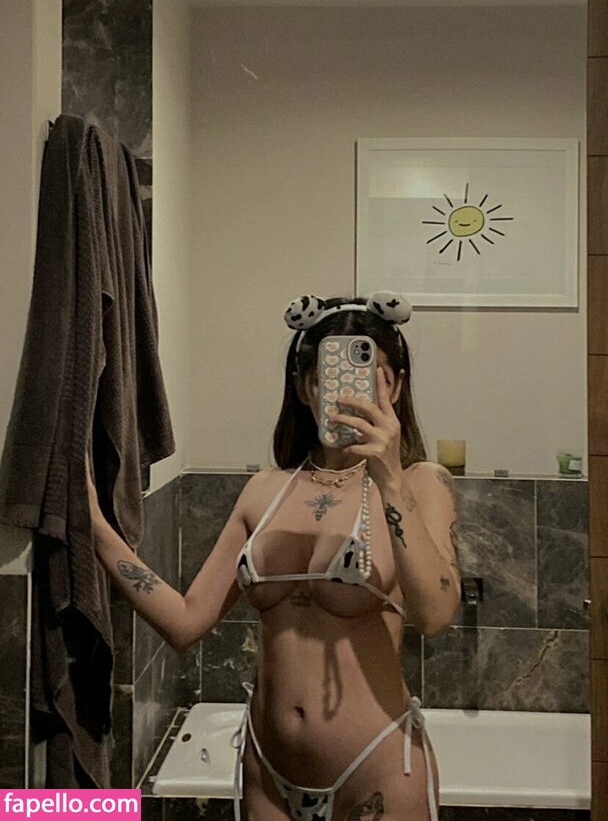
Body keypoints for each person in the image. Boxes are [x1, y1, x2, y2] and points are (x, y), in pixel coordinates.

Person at [88, 291, 461, 821]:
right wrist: (96, 525)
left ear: (394, 386)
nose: (344, 392)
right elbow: (186, 622)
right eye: (327, 377)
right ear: (305, 387)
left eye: (366, 374)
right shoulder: (264, 491)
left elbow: (436, 615)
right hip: (268, 772)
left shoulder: (421, 484)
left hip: (377, 768)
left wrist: (390, 479)